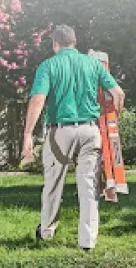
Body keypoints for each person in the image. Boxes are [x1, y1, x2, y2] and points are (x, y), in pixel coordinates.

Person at [21, 25, 125, 251]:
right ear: (75, 42)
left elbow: (38, 99)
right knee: (88, 186)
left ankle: (47, 232)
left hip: (60, 131)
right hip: (90, 131)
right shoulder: (93, 65)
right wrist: (114, 119)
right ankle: (87, 242)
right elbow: (118, 93)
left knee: (53, 183)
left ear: (54, 43)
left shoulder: (48, 66)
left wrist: (28, 133)